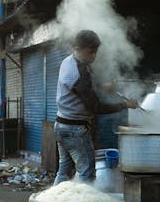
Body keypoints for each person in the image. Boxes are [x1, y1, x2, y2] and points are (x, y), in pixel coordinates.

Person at [54, 29, 139, 185]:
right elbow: (96, 108)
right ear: (79, 48)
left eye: (96, 51)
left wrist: (102, 86)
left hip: (61, 125)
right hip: (75, 130)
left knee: (64, 172)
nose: (94, 55)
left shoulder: (69, 61)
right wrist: (125, 104)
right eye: (91, 51)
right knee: (87, 174)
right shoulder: (80, 72)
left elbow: (82, 87)